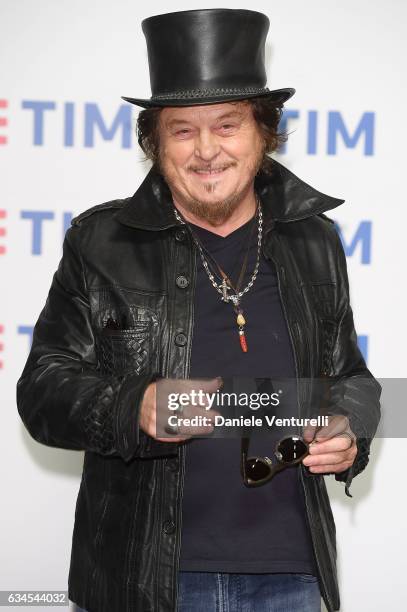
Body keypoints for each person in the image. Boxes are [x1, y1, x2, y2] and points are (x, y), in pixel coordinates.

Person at [16, 8, 381, 612]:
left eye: (228, 125)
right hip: (143, 579)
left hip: (291, 578)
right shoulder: (101, 241)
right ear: (155, 145)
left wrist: (349, 430)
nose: (206, 150)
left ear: (264, 133)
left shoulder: (314, 239)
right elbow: (43, 391)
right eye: (182, 130)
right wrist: (133, 405)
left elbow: (351, 380)